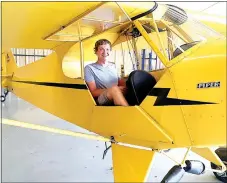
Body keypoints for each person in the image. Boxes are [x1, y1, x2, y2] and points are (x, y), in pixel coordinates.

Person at [84, 39, 129, 106]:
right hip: (101, 98)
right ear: (96, 52)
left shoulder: (113, 66)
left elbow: (121, 82)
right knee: (114, 89)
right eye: (101, 49)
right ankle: (128, 113)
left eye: (107, 49)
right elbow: (93, 92)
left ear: (110, 51)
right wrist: (113, 90)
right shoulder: (89, 68)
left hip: (117, 93)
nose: (105, 52)